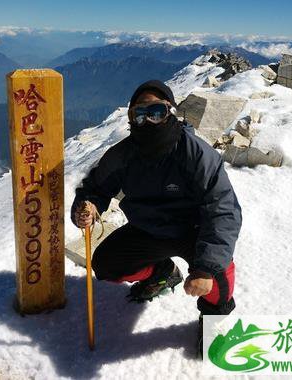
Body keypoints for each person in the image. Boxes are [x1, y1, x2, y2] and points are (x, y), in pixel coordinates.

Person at [70, 79, 242, 352]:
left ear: (170, 112)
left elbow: (222, 210)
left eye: (157, 112)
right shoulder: (123, 155)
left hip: (194, 231)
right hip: (148, 230)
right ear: (131, 117)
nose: (148, 120)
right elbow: (96, 188)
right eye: (140, 113)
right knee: (106, 265)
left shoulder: (194, 153)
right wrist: (88, 205)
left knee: (217, 278)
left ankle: (215, 321)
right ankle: (161, 272)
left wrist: (206, 268)